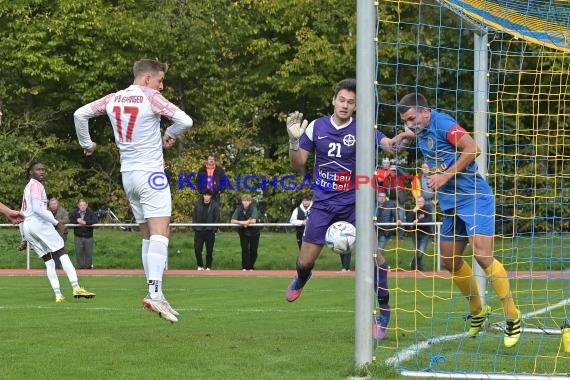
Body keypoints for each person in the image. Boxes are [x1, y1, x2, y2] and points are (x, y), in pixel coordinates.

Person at [284, 78, 408, 341]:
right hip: (324, 204)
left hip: (356, 204)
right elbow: (299, 163)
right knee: (305, 261)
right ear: (333, 100)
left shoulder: (363, 128)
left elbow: (389, 145)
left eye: (351, 102)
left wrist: (402, 137)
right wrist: (294, 142)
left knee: (376, 258)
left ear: (355, 106)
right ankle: (302, 278)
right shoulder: (316, 127)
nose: (345, 104)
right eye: (342, 99)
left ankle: (384, 311)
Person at [74, 59, 194, 323]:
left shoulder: (113, 98)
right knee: (162, 233)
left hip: (128, 176)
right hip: (152, 175)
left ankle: (156, 293)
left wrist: (88, 143)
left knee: (148, 236)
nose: (162, 87)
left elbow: (79, 114)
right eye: (161, 81)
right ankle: (155, 293)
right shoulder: (150, 96)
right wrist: (171, 133)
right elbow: (185, 120)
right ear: (148, 78)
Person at [397, 92, 521, 347]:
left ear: (425, 112)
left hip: (474, 197)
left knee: (482, 256)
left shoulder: (443, 124)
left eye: (412, 119)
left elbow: (473, 148)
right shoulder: (419, 129)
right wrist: (402, 136)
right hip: (451, 203)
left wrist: (444, 176)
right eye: (406, 122)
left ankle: (512, 317)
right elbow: (416, 134)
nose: (411, 124)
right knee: (450, 261)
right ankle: (478, 311)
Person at [20, 161, 96, 303]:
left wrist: (24, 236)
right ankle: (76, 286)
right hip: (38, 224)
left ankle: (58, 295)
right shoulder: (36, 185)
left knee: (48, 261)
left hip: (28, 226)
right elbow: (37, 209)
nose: (41, 172)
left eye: (43, 169)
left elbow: (22, 212)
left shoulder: (27, 187)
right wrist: (56, 223)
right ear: (31, 172)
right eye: (38, 169)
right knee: (61, 251)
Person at [192, 189, 221, 270]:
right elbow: (194, 216)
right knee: (197, 249)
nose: (206, 197)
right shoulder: (198, 204)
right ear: (203, 195)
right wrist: (195, 227)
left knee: (209, 250)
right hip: (199, 231)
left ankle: (208, 266)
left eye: (208, 195)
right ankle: (200, 265)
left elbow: (217, 218)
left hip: (210, 231)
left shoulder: (215, 205)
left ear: (211, 196)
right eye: (205, 195)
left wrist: (214, 230)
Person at [231, 194, 261, 271]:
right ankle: (245, 267)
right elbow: (232, 220)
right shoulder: (238, 209)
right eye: (244, 201)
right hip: (243, 232)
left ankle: (251, 266)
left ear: (250, 202)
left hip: (254, 232)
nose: (246, 202)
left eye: (248, 201)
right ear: (242, 201)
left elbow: (253, 220)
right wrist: (243, 222)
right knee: (245, 249)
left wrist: (247, 223)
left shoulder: (253, 208)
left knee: (253, 250)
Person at [69, 199, 98, 269]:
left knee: (89, 253)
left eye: (84, 205)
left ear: (87, 205)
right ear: (78, 206)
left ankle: (88, 267)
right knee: (79, 252)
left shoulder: (91, 212)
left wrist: (85, 222)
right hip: (78, 236)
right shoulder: (74, 213)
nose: (82, 206)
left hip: (88, 236)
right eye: (81, 205)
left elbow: (95, 220)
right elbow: (70, 220)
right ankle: (80, 267)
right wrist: (77, 220)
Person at [407, 196, 433, 271]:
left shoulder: (427, 209)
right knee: (417, 251)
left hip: (425, 233)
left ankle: (413, 264)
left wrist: (418, 221)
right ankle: (419, 268)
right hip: (415, 233)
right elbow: (408, 220)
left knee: (421, 251)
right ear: (416, 202)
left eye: (421, 201)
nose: (420, 203)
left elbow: (429, 220)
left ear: (424, 202)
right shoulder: (414, 209)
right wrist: (414, 211)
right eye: (418, 202)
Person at [49, 198, 69, 269]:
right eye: (52, 204)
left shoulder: (63, 211)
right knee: (51, 251)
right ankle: (53, 266)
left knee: (59, 251)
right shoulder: (46, 212)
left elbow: (66, 219)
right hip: (49, 235)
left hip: (61, 235)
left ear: (57, 204)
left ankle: (58, 266)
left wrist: (55, 222)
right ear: (50, 205)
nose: (53, 205)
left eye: (54, 204)